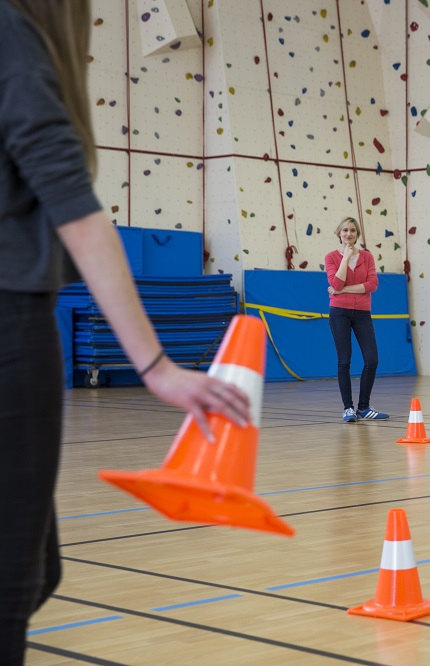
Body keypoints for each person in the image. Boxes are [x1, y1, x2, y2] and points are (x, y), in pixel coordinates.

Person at [0, 1, 251, 662]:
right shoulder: (13, 36)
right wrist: (158, 368)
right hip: (10, 327)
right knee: (13, 582)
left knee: (38, 567)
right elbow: (78, 214)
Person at [325, 217, 388, 422]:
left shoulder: (367, 257)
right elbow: (335, 281)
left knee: (372, 360)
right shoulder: (331, 257)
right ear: (339, 233)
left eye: (352, 230)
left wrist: (341, 290)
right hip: (339, 312)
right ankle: (348, 408)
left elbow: (372, 285)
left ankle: (363, 407)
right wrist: (345, 258)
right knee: (344, 361)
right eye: (345, 230)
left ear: (357, 233)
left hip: (362, 313)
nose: (349, 234)